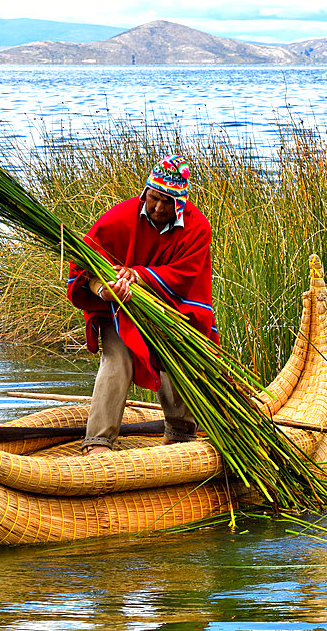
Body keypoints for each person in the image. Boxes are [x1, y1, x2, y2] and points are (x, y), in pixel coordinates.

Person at [65, 155, 219, 456]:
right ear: (145, 192)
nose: (159, 208)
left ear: (181, 203)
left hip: (172, 310)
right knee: (117, 357)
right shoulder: (119, 219)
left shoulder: (197, 227)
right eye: (154, 198)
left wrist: (139, 277)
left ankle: (180, 435)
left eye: (167, 202)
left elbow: (186, 276)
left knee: (176, 354)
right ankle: (98, 443)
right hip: (118, 308)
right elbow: (84, 270)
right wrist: (105, 292)